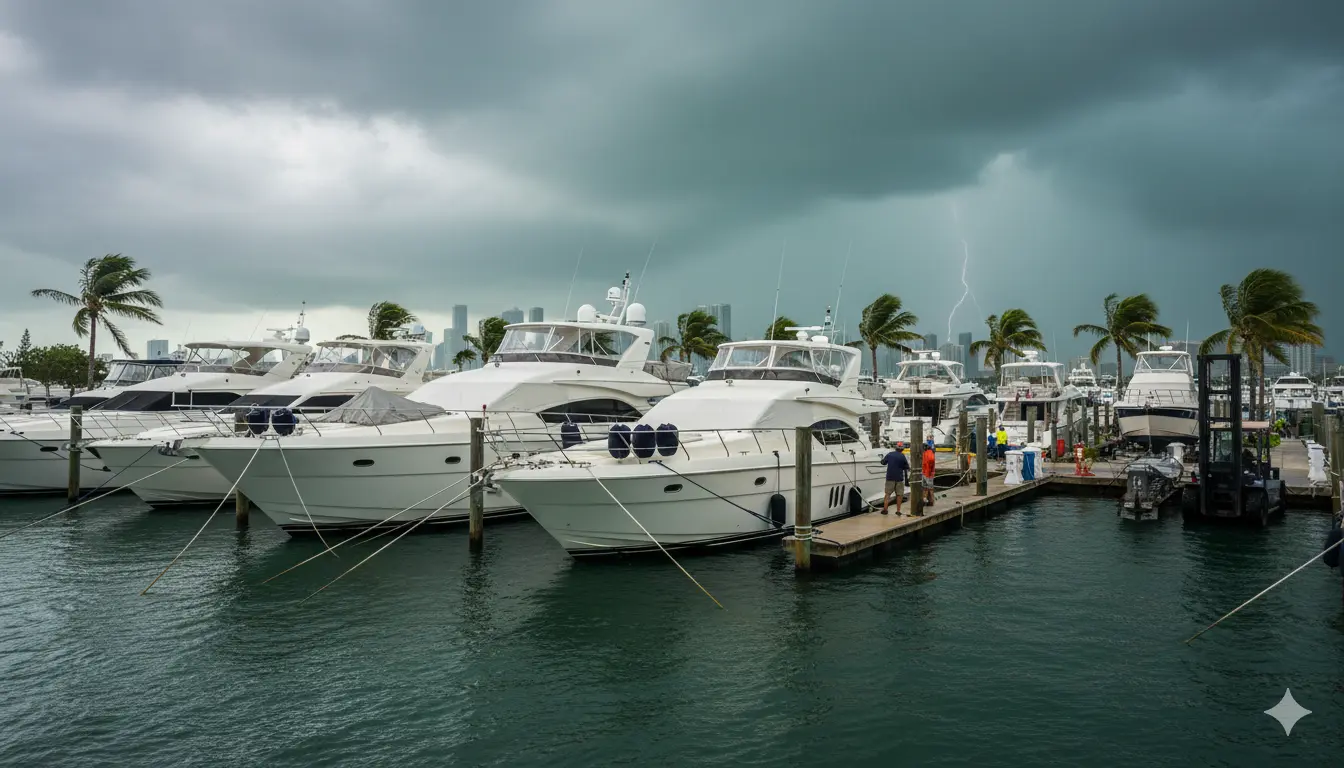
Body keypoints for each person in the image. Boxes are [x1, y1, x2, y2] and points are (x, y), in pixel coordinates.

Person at [880, 446, 910, 515]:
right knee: (899, 495)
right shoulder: (902, 456)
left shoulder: (890, 454)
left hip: (890, 478)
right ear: (902, 450)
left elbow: (883, 462)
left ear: (895, 449)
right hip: (899, 478)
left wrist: (882, 459)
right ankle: (898, 511)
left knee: (887, 494)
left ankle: (885, 510)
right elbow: (906, 467)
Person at [921, 438, 937, 508]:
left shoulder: (929, 452)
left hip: (928, 473)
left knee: (930, 488)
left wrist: (930, 471)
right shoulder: (927, 452)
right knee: (925, 487)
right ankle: (925, 500)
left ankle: (931, 501)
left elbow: (931, 460)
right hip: (925, 472)